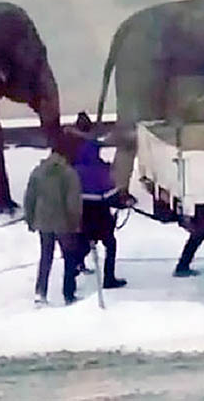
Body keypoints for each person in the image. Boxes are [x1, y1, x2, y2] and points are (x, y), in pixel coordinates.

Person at [70, 112, 131, 289]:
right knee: (110, 244)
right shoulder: (100, 170)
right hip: (100, 216)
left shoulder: (74, 169)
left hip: (81, 216)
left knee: (82, 245)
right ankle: (109, 278)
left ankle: (73, 269)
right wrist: (124, 201)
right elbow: (111, 196)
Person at [24, 132, 84, 305]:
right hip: (64, 223)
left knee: (45, 257)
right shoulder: (69, 173)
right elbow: (73, 202)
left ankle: (40, 292)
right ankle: (68, 294)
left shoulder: (38, 171)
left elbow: (30, 198)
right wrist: (75, 223)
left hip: (43, 222)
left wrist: (30, 219)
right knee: (69, 258)